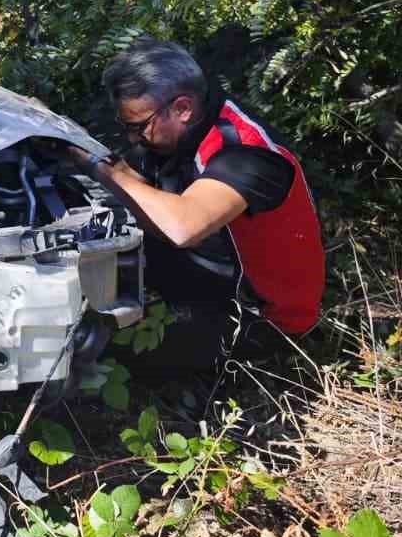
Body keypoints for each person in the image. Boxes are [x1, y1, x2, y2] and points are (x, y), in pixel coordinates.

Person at [67, 38, 325, 383]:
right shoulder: (188, 128)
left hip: (261, 320)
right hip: (211, 271)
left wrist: (103, 167)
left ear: (183, 108)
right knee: (87, 257)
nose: (133, 139)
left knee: (102, 350)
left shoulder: (246, 152)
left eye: (139, 127)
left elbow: (184, 227)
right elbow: (143, 192)